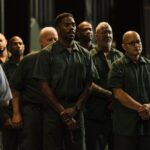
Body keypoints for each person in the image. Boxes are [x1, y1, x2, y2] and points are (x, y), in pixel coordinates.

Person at [33, 12, 99, 150]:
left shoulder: (85, 54)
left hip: (76, 109)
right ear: (57, 28)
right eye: (67, 25)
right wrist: (62, 112)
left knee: (78, 146)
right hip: (53, 111)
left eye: (74, 25)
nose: (72, 28)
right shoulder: (46, 54)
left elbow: (89, 85)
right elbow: (43, 86)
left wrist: (75, 108)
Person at [9, 26, 58, 150]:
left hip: (54, 111)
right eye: (49, 39)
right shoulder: (29, 60)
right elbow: (15, 88)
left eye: (56, 39)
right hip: (32, 111)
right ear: (41, 42)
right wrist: (16, 113)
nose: (53, 42)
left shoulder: (61, 61)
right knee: (31, 145)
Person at [108, 30, 150, 150]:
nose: (137, 45)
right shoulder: (117, 66)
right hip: (126, 127)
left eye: (138, 42)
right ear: (123, 46)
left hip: (147, 127)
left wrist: (148, 107)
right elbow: (118, 93)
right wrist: (140, 108)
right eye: (132, 43)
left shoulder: (148, 65)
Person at [85, 22, 123, 150]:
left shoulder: (120, 56)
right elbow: (88, 83)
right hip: (96, 114)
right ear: (96, 36)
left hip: (118, 115)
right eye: (104, 32)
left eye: (109, 32)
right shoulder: (89, 56)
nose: (107, 35)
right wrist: (111, 96)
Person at [2, 36, 25, 150]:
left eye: (20, 43)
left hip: (27, 114)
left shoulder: (29, 64)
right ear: (9, 47)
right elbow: (1, 95)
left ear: (24, 47)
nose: (18, 46)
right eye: (15, 44)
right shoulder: (4, 68)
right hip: (9, 114)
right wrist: (5, 117)